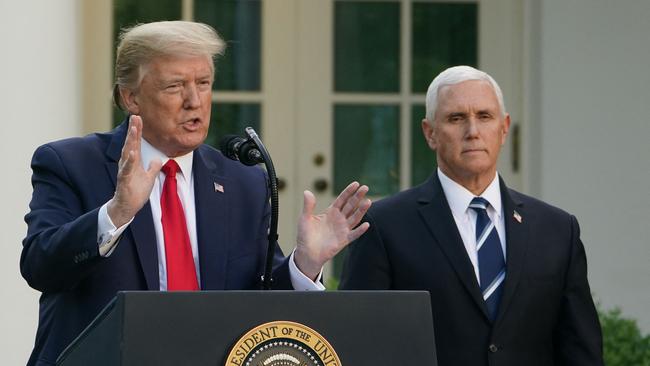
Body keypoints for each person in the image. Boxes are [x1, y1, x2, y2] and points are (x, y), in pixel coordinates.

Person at [21, 21, 371, 366]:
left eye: (203, 83)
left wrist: (305, 265)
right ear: (131, 98)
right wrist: (117, 212)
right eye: (175, 86)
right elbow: (40, 267)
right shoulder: (70, 163)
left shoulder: (244, 183)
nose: (194, 101)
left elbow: (262, 301)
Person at [339, 65, 603, 365]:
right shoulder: (384, 226)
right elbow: (359, 343)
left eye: (484, 116)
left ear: (504, 129)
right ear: (430, 133)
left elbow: (581, 351)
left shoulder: (557, 230)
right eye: (456, 118)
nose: (473, 131)